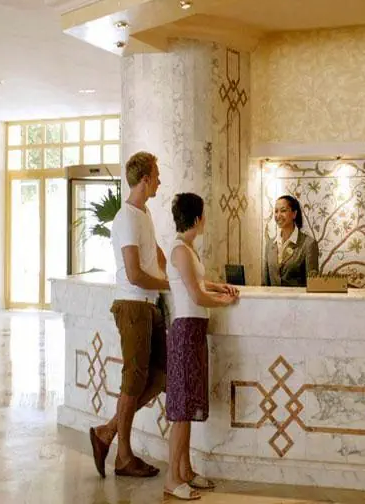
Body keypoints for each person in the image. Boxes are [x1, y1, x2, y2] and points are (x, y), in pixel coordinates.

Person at [89, 151, 169, 479]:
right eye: (157, 176)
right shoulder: (125, 218)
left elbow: (157, 255)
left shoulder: (144, 213)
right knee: (133, 381)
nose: (159, 181)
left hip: (150, 304)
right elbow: (134, 274)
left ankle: (107, 431)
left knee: (160, 377)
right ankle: (123, 457)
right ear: (145, 179)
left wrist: (171, 272)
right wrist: (169, 284)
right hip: (133, 305)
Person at [164, 193, 239, 501]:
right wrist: (224, 301)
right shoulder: (180, 251)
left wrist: (218, 287)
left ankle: (186, 470)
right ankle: (172, 478)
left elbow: (196, 285)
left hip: (193, 331)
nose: (205, 219)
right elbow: (195, 296)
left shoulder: (187, 249)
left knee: (189, 405)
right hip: (185, 332)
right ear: (197, 219)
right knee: (182, 411)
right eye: (204, 215)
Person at [263, 195, 319, 287]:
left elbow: (313, 285)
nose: (278, 215)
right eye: (276, 211)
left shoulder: (308, 244)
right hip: (272, 297)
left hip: (298, 297)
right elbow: (265, 283)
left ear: (294, 214)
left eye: (283, 210)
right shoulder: (270, 244)